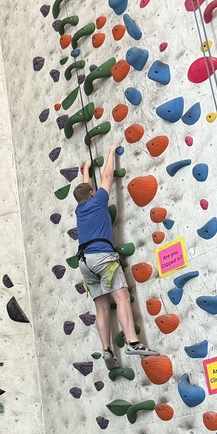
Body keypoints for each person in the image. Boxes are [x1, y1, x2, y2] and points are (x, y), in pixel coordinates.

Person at [74, 146, 157, 370]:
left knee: (101, 308)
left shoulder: (79, 209)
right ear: (92, 193)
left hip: (85, 263)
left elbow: (84, 189)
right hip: (102, 258)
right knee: (121, 298)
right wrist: (111, 152)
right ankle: (132, 341)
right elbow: (108, 176)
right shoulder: (98, 200)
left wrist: (86, 170)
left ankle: (107, 349)